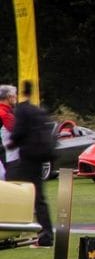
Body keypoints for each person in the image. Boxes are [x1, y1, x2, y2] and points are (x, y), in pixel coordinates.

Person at [7, 82, 54, 246]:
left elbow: (17, 133)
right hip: (39, 157)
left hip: (27, 158)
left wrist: (10, 144)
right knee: (39, 196)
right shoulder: (38, 110)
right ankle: (46, 233)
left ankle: (14, 228)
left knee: (13, 188)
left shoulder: (22, 110)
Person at [0, 84, 17, 173]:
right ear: (9, 97)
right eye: (14, 95)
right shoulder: (5, 114)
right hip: (6, 155)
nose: (16, 98)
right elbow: (15, 131)